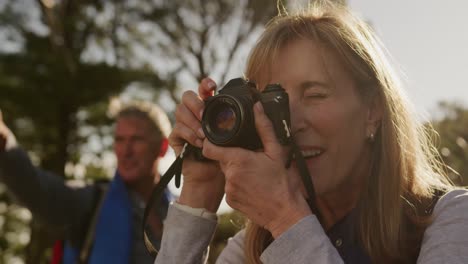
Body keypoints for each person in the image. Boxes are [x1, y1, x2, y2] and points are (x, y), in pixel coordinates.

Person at [155, 1, 468, 263]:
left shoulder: (450, 218)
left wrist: (285, 219)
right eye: (272, 103)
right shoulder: (252, 249)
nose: (290, 123)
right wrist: (198, 195)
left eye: (315, 94)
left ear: (373, 110)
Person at [0, 100, 172, 264]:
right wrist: (4, 143)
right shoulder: (90, 202)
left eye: (136, 139)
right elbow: (36, 187)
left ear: (162, 147)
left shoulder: (183, 211)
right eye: (119, 140)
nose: (125, 151)